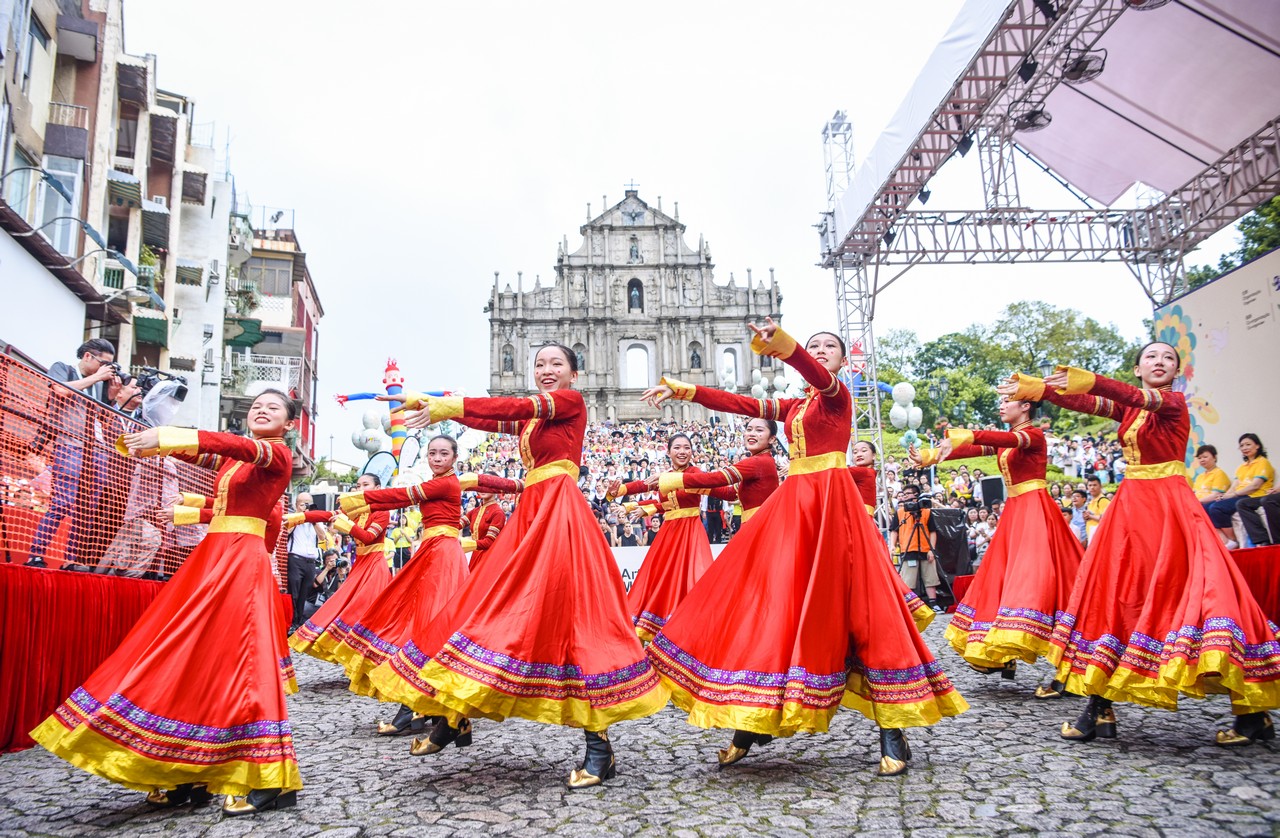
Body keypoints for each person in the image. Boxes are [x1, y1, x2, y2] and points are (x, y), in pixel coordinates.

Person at [641, 320, 966, 777]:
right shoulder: (795, 405)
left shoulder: (837, 395)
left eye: (828, 346)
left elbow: (815, 374)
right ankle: (751, 721)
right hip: (795, 508)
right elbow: (742, 403)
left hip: (831, 506)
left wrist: (788, 347)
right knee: (774, 605)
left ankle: (893, 729)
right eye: (814, 345)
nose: (820, 350)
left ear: (842, 359)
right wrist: (686, 391)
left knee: (862, 609)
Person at [368, 345, 669, 788]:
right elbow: (492, 419)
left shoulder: (569, 402)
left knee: (574, 621)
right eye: (539, 364)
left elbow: (516, 406)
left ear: (573, 374)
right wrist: (432, 405)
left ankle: (599, 747)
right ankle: (454, 713)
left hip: (559, 512)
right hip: (532, 512)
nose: (546, 370)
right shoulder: (534, 418)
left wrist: (450, 405)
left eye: (556, 364)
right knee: (485, 606)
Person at [31, 389, 302, 816]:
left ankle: (272, 777)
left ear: (289, 424)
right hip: (215, 556)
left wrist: (169, 435)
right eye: (256, 406)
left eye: (272, 408)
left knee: (243, 661)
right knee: (194, 655)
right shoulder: (238, 460)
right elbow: (209, 457)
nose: (261, 411)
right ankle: (188, 770)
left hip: (240, 562)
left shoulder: (275, 454)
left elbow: (232, 446)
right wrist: (156, 447)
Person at [998, 342, 1280, 746]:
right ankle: (1099, 707)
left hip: (1169, 509)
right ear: (1138, 367)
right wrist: (1041, 390)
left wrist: (1089, 379)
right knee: (1116, 597)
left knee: (1204, 595)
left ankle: (1251, 712)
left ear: (1176, 371)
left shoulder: (1172, 402)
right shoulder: (1130, 409)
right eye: (1152, 357)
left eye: (1168, 358)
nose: (1160, 362)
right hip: (1133, 509)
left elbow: (1129, 395)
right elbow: (1089, 403)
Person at [909, 393, 1084, 691]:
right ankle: (1003, 653)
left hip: (1034, 511)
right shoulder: (1010, 438)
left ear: (1026, 406)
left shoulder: (1032, 435)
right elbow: (976, 448)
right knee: (1002, 578)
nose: (1001, 405)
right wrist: (930, 456)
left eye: (1008, 401)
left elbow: (996, 440)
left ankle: (1067, 667)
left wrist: (965, 434)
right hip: (1017, 511)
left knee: (1037, 581)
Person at [25, 338, 121, 570]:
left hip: (97, 450)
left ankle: (71, 560)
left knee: (86, 509)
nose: (105, 369)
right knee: (62, 503)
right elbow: (59, 390)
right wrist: (96, 378)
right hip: (69, 445)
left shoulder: (99, 384)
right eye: (103, 363)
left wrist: (112, 396)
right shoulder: (64, 369)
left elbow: (106, 420)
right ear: (87, 356)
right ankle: (35, 555)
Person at [609, 433, 714, 642]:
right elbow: (645, 488)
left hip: (690, 531)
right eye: (677, 448)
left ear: (692, 451)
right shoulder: (664, 475)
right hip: (670, 532)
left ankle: (689, 632)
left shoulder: (695, 473)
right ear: (668, 452)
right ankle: (657, 629)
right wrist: (619, 492)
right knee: (660, 580)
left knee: (693, 578)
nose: (682, 452)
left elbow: (713, 487)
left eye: (686, 447)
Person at [289, 474, 392, 663]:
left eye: (366, 484)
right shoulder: (356, 509)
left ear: (377, 488)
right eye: (358, 485)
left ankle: (370, 656)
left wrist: (348, 525)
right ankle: (353, 655)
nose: (360, 488)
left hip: (374, 565)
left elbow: (368, 537)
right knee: (345, 605)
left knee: (365, 609)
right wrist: (299, 517)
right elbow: (327, 515)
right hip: (360, 564)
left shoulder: (382, 511)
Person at [1205, 434, 1274, 549]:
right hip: (1240, 495)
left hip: (1254, 495)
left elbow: (1255, 485)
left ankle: (1233, 540)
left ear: (1257, 446)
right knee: (1208, 507)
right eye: (1242, 446)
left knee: (1216, 508)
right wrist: (1224, 496)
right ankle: (1225, 540)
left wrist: (1234, 494)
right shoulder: (1242, 467)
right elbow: (1235, 485)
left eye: (1248, 444)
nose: (1244, 448)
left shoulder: (1263, 462)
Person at [889, 483, 942, 612]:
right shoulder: (900, 512)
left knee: (930, 578)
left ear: (915, 495)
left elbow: (933, 531)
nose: (904, 496)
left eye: (907, 494)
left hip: (925, 549)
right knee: (908, 580)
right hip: (908, 549)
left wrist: (932, 549)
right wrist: (892, 545)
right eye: (904, 494)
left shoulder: (926, 511)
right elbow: (894, 530)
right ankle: (909, 606)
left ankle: (934, 604)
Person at [285, 493, 328, 632]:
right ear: (296, 505)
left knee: (304, 594)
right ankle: (291, 622)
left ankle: (298, 623)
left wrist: (312, 519)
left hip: (310, 562)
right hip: (295, 559)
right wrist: (300, 516)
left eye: (308, 504)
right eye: (303, 504)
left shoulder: (316, 520)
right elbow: (287, 531)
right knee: (294, 593)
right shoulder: (292, 517)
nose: (306, 506)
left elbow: (322, 537)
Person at [462, 476, 509, 573]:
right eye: (481, 485)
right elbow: (457, 524)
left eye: (487, 486)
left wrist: (464, 543)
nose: (483, 489)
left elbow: (489, 542)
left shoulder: (498, 513)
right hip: (475, 554)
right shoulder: (475, 511)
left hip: (489, 558)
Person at [1192, 444, 1231, 509]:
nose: (1202, 460)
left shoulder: (1219, 473)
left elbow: (1216, 495)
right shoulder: (1199, 477)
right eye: (1199, 458)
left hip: (1208, 505)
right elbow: (1194, 494)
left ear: (1214, 457)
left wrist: (1196, 502)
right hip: (1197, 505)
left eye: (1205, 457)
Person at [1083, 475, 1109, 544]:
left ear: (1100, 486)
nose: (1092, 487)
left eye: (1095, 485)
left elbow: (1105, 518)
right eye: (1090, 485)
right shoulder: (1091, 501)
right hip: (1091, 534)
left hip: (1099, 535)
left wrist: (1090, 516)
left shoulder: (1103, 500)